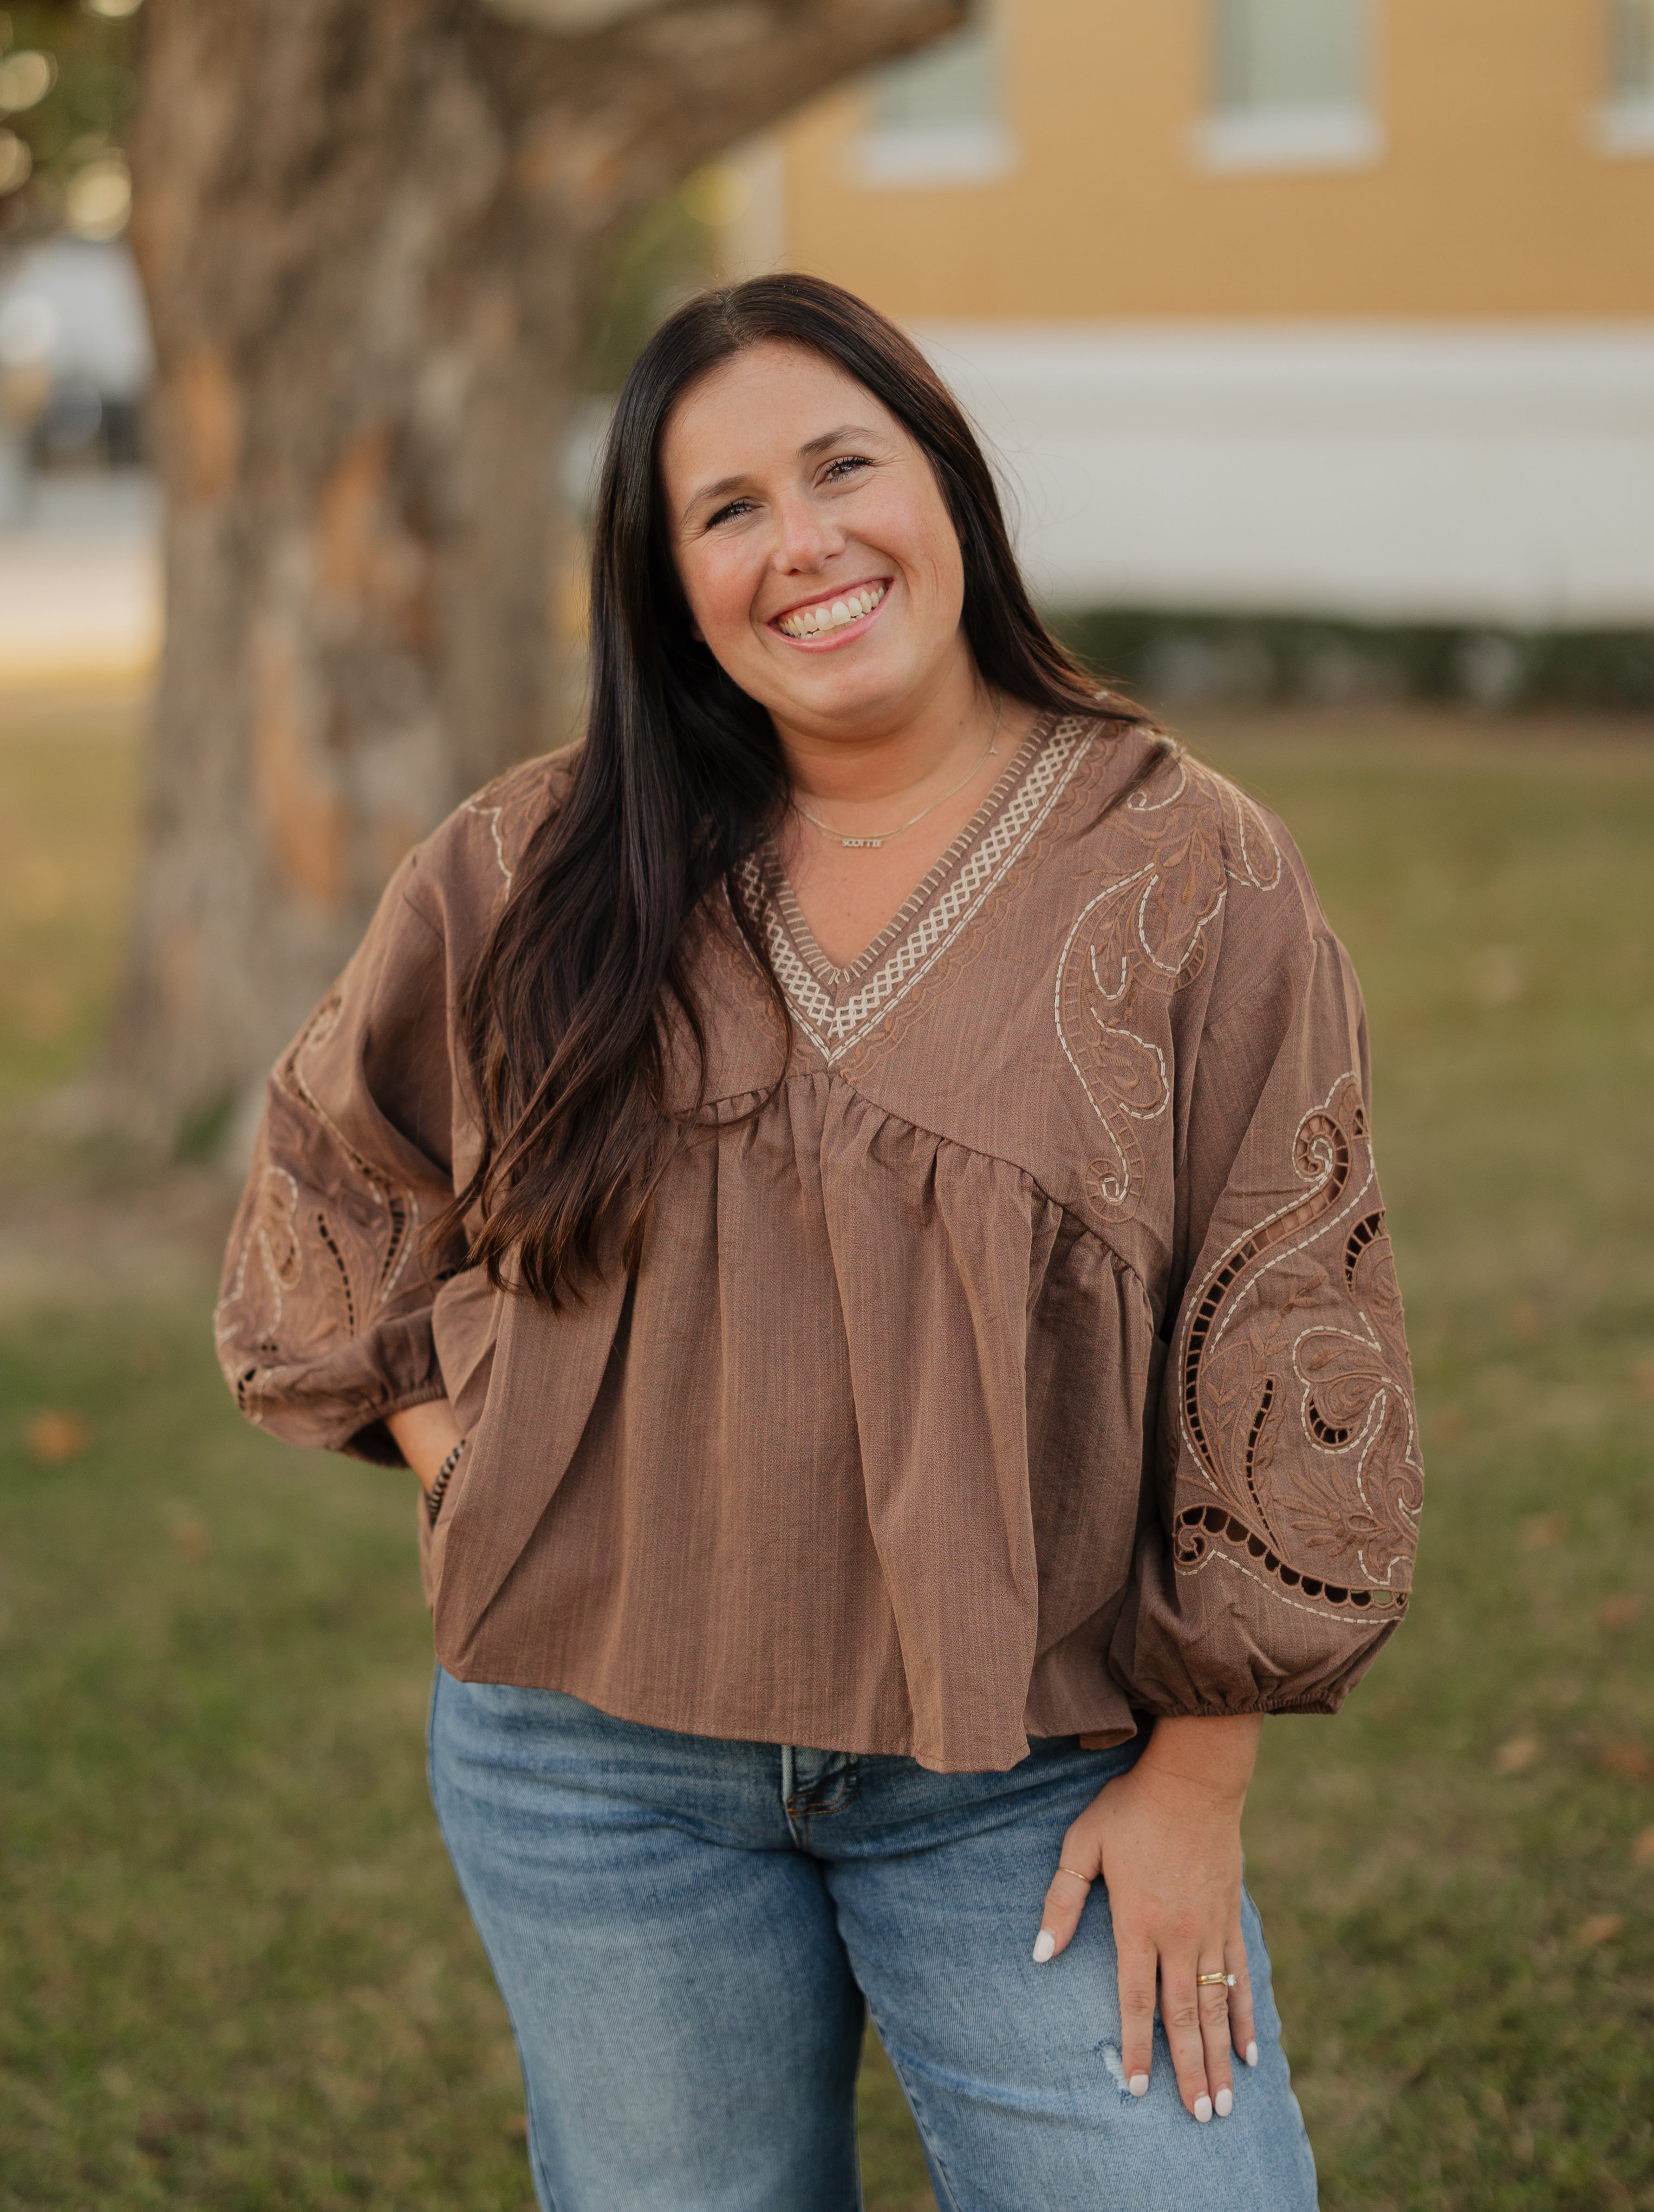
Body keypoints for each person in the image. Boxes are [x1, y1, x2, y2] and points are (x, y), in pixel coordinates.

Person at [217, 274, 1423, 2211]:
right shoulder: (537, 866)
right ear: (668, 583)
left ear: (944, 481)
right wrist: (475, 1473)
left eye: (843, 467)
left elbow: (1287, 1318)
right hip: (589, 1768)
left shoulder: (1187, 872)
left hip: (1026, 1769)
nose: (806, 545)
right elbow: (326, 1195)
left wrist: (1199, 1785)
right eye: (727, 510)